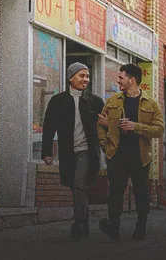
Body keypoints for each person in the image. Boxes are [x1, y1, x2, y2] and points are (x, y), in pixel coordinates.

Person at [97, 63, 164, 240]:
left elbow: (159, 129)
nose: (118, 80)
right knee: (116, 191)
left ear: (132, 80)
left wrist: (136, 127)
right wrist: (105, 146)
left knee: (141, 191)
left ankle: (140, 226)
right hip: (117, 154)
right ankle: (114, 227)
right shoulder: (113, 101)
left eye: (121, 77)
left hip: (140, 155)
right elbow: (100, 124)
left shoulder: (151, 103)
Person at [41, 62, 104, 240]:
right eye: (81, 76)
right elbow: (49, 127)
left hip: (87, 151)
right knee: (75, 186)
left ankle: (78, 223)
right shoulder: (58, 101)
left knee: (79, 183)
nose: (86, 80)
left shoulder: (95, 101)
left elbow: (106, 125)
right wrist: (46, 152)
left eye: (87, 76)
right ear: (71, 78)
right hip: (68, 152)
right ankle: (84, 220)